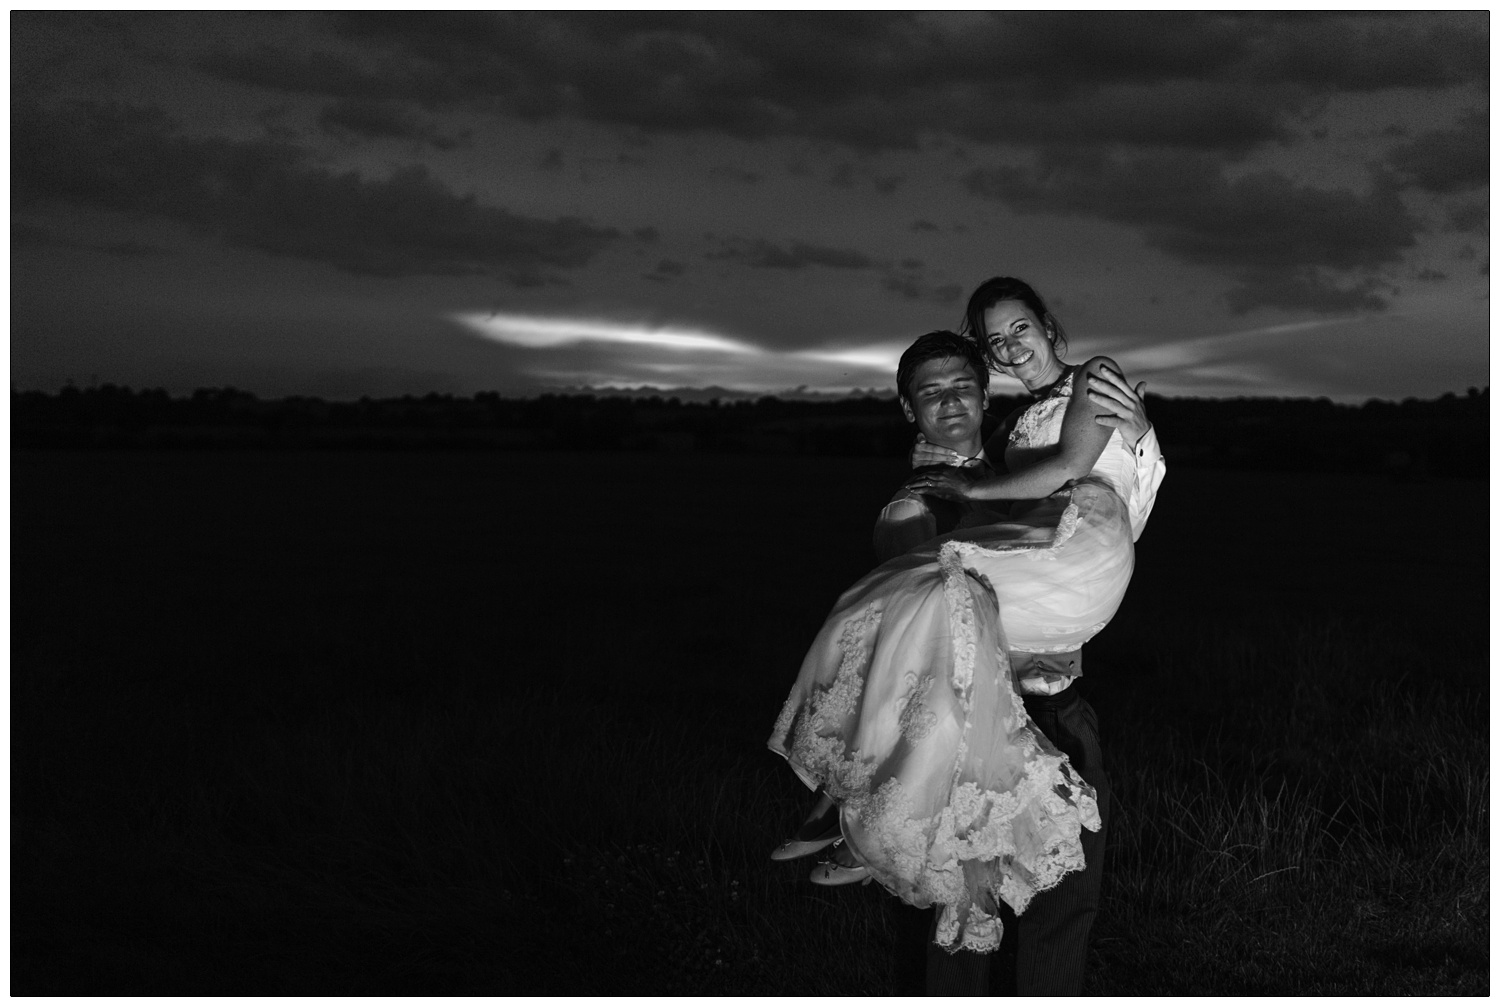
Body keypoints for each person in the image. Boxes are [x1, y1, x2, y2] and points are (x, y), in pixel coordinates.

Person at [766, 277, 1161, 987]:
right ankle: (850, 811)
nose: (952, 402)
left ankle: (847, 809)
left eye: (964, 385)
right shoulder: (920, 502)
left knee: (1063, 903)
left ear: (989, 393)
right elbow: (916, 635)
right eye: (930, 392)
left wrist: (1138, 438)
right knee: (964, 904)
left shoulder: (1026, 449)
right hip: (968, 721)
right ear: (906, 408)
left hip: (1059, 704)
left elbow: (1092, 493)